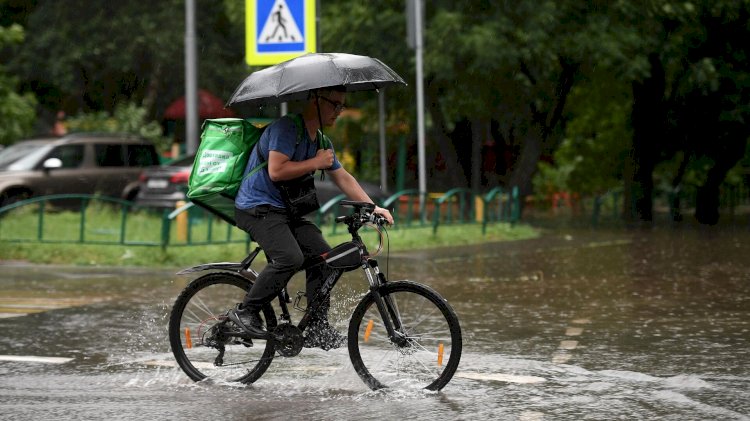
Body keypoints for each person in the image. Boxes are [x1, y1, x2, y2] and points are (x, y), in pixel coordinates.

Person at [229, 86, 394, 350]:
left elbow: (343, 177)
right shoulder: (286, 129)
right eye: (335, 104)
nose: (339, 111)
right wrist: (315, 163)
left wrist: (373, 208)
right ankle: (246, 312)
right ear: (315, 101)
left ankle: (317, 327)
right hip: (256, 207)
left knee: (326, 259)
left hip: (286, 212)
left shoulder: (320, 141)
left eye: (342, 106)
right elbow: (276, 171)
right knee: (289, 258)